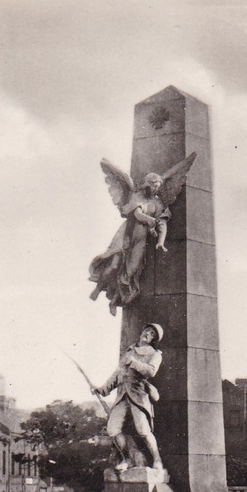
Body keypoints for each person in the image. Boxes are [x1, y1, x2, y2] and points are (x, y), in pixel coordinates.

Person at [89, 173, 170, 315]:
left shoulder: (157, 203)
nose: (155, 189)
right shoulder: (136, 195)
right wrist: (149, 220)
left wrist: (160, 242)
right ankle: (98, 287)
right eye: (153, 186)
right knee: (114, 266)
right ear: (148, 184)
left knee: (130, 272)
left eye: (158, 187)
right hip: (126, 234)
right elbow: (138, 214)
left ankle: (114, 302)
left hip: (141, 239)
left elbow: (162, 223)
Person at [94, 323, 164, 473]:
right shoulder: (129, 351)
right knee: (113, 430)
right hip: (122, 395)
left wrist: (134, 363)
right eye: (146, 330)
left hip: (139, 396)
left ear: (153, 340)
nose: (148, 334)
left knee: (143, 430)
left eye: (152, 334)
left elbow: (151, 371)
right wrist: (102, 389)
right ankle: (126, 458)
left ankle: (157, 459)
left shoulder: (155, 354)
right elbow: (117, 373)